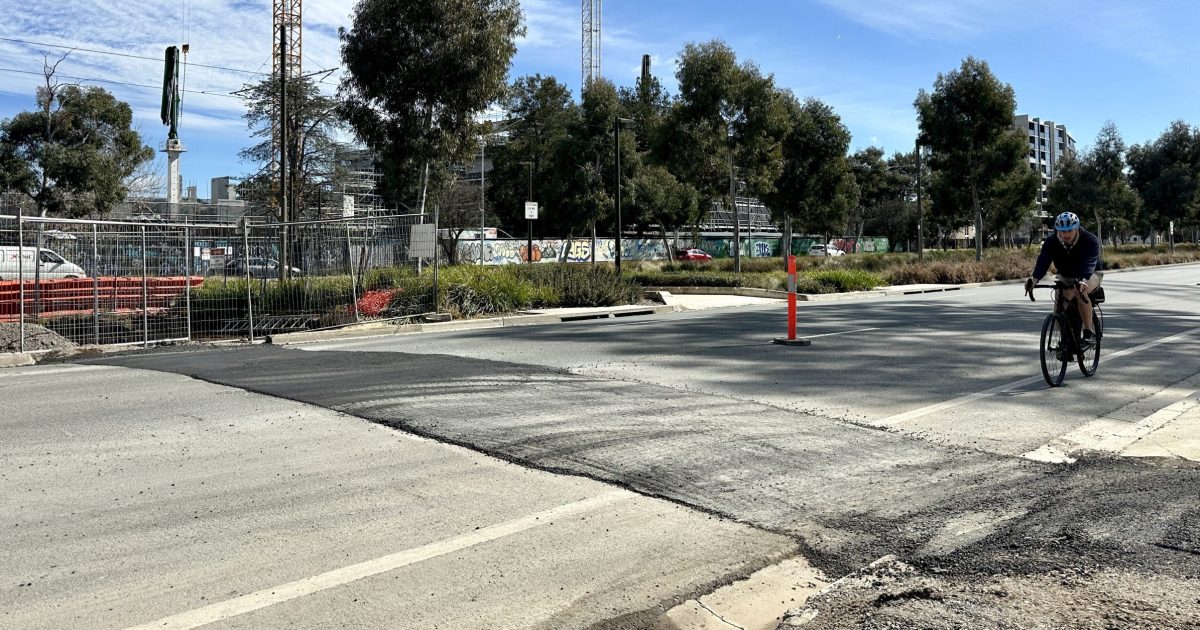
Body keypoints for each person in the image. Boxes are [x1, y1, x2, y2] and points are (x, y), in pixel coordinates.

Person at [1024, 211, 1102, 347]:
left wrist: (1083, 279)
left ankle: (1089, 333)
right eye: (1062, 231)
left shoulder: (1090, 240)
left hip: (1090, 273)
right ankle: (1066, 340)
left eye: (1069, 231)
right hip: (1066, 276)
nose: (1066, 235)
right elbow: (1043, 261)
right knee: (1059, 305)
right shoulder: (1051, 242)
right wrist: (1035, 279)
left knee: (1079, 291)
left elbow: (1090, 263)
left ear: (1076, 228)